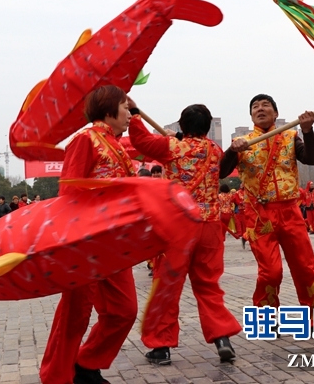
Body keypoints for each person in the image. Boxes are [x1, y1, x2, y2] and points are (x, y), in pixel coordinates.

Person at [128, 100, 241, 365]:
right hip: (210, 226)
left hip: (179, 226)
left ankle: (161, 346)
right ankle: (222, 337)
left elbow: (141, 140)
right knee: (208, 286)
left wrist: (134, 114)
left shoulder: (172, 147)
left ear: (181, 125)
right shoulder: (214, 150)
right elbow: (197, 150)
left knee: (167, 285)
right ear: (208, 127)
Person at [40, 85, 137, 384]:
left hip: (116, 243)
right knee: (75, 313)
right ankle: (58, 374)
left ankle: (87, 362)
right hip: (86, 240)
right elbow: (69, 191)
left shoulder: (118, 146)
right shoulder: (84, 140)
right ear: (108, 110)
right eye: (125, 107)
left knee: (125, 310)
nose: (130, 114)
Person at [220, 93, 314, 312]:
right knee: (270, 271)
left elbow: (310, 158)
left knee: (306, 266)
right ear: (251, 115)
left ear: (276, 113)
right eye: (255, 107)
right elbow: (221, 172)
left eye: (265, 105)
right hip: (259, 216)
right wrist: (232, 151)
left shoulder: (290, 136)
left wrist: (307, 132)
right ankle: (265, 315)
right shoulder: (241, 143)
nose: (260, 109)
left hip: (290, 211)